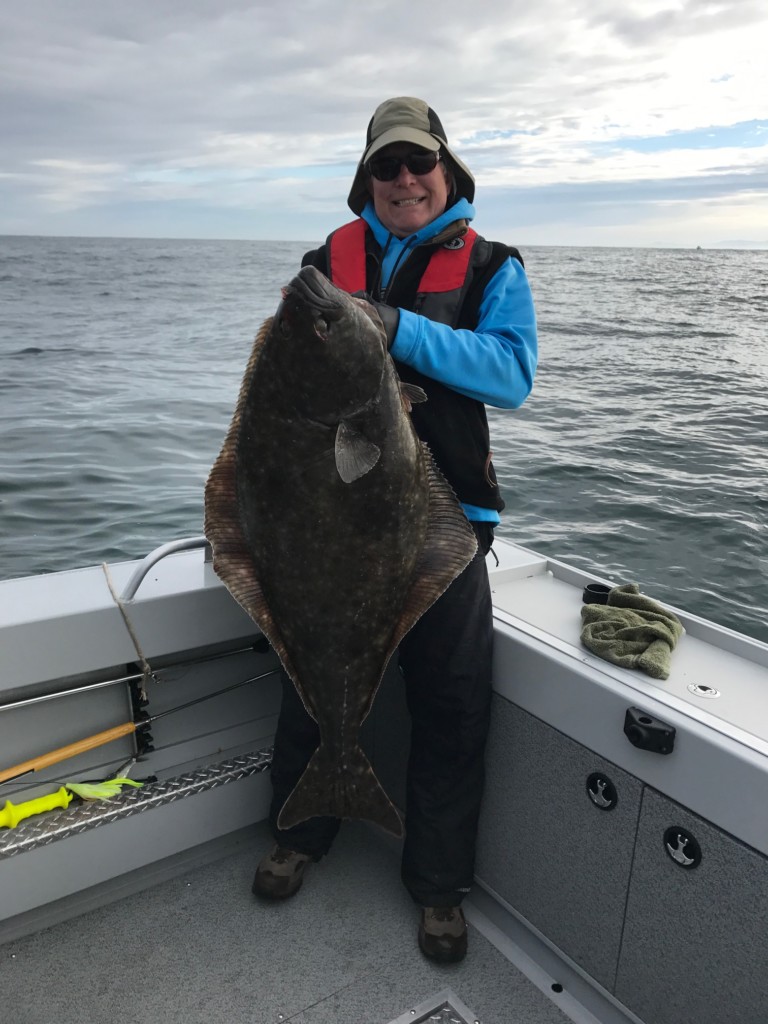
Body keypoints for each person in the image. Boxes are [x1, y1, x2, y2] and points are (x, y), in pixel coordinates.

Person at [252, 96, 537, 963]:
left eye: (420, 163)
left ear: (447, 171)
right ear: (365, 179)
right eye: (387, 166)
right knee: (311, 682)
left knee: (450, 705)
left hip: (447, 530)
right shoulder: (321, 267)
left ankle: (437, 887)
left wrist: (394, 328)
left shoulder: (492, 267)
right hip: (328, 522)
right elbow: (276, 389)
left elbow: (512, 373)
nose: (405, 179)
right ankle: (302, 832)